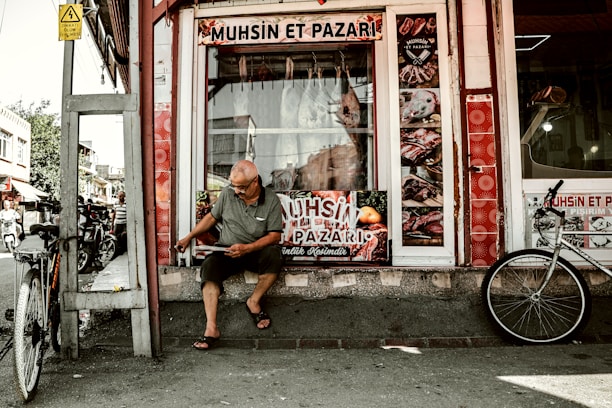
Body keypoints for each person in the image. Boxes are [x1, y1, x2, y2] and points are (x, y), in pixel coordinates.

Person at [175, 160, 283, 350]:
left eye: (241, 187)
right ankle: (211, 328)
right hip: (226, 250)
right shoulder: (228, 193)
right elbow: (211, 217)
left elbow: (274, 236)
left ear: (255, 182)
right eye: (234, 186)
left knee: (274, 256)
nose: (237, 191)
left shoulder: (271, 200)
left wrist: (248, 248)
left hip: (254, 251)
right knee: (209, 268)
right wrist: (188, 237)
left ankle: (253, 301)